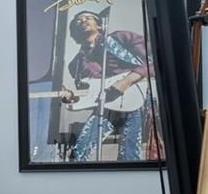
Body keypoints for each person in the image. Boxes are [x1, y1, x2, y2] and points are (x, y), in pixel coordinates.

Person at [59, 10, 152, 161]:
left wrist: (126, 81)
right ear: (74, 32)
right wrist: (71, 99)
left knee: (129, 156)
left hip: (135, 98)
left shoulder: (121, 38)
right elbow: (90, 95)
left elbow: (154, 59)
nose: (83, 21)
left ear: (100, 26)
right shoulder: (75, 65)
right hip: (106, 105)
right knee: (78, 154)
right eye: (78, 20)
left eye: (88, 18)